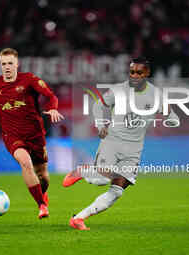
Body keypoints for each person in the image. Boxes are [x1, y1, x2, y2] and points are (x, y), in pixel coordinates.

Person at [63, 57, 179, 230]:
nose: (134, 76)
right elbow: (98, 106)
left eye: (139, 72)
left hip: (134, 150)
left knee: (116, 192)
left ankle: (78, 219)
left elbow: (172, 115)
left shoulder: (156, 94)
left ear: (147, 73)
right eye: (132, 72)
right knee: (102, 180)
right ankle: (82, 171)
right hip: (112, 142)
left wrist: (172, 120)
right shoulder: (118, 91)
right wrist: (101, 124)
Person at [0, 48, 64, 219]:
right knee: (25, 163)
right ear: (0, 65)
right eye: (3, 64)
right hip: (12, 136)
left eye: (10, 63)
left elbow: (51, 96)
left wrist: (53, 108)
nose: (7, 67)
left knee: (43, 176)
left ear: (17, 64)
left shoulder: (29, 80)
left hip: (35, 134)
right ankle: (41, 206)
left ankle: (42, 194)